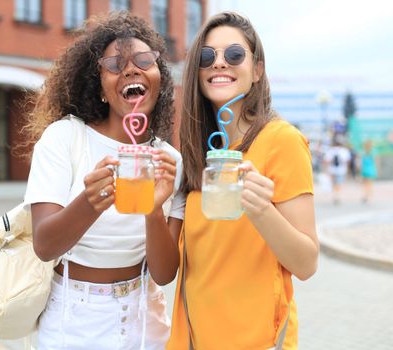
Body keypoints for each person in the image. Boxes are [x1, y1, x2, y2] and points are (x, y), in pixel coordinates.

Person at [22, 12, 183, 349]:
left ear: (160, 78)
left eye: (143, 60)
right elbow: (45, 245)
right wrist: (90, 202)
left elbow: (164, 274)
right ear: (100, 90)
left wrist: (154, 211)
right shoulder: (64, 137)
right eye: (115, 64)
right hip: (75, 316)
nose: (131, 69)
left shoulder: (169, 160)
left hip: (145, 318)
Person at [166, 12, 319, 350]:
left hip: (257, 341)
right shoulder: (197, 153)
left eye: (234, 54)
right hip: (192, 340)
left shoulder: (282, 140)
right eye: (207, 57)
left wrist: (262, 210)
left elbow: (306, 264)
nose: (219, 63)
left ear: (257, 70)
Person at [324, 134, 352, 205]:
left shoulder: (330, 151)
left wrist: (326, 170)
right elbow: (347, 161)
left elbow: (327, 161)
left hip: (332, 170)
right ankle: (337, 196)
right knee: (339, 184)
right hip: (341, 170)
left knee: (334, 184)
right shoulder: (344, 151)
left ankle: (335, 196)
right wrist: (348, 170)